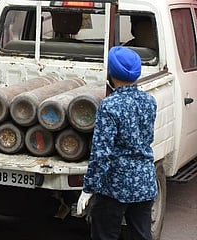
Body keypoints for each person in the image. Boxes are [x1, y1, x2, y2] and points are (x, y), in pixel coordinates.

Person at [76, 46, 157, 240]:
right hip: (144, 182)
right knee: (141, 235)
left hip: (114, 187)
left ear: (111, 72)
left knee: (105, 235)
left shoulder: (109, 105)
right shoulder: (149, 101)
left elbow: (101, 154)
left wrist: (88, 189)